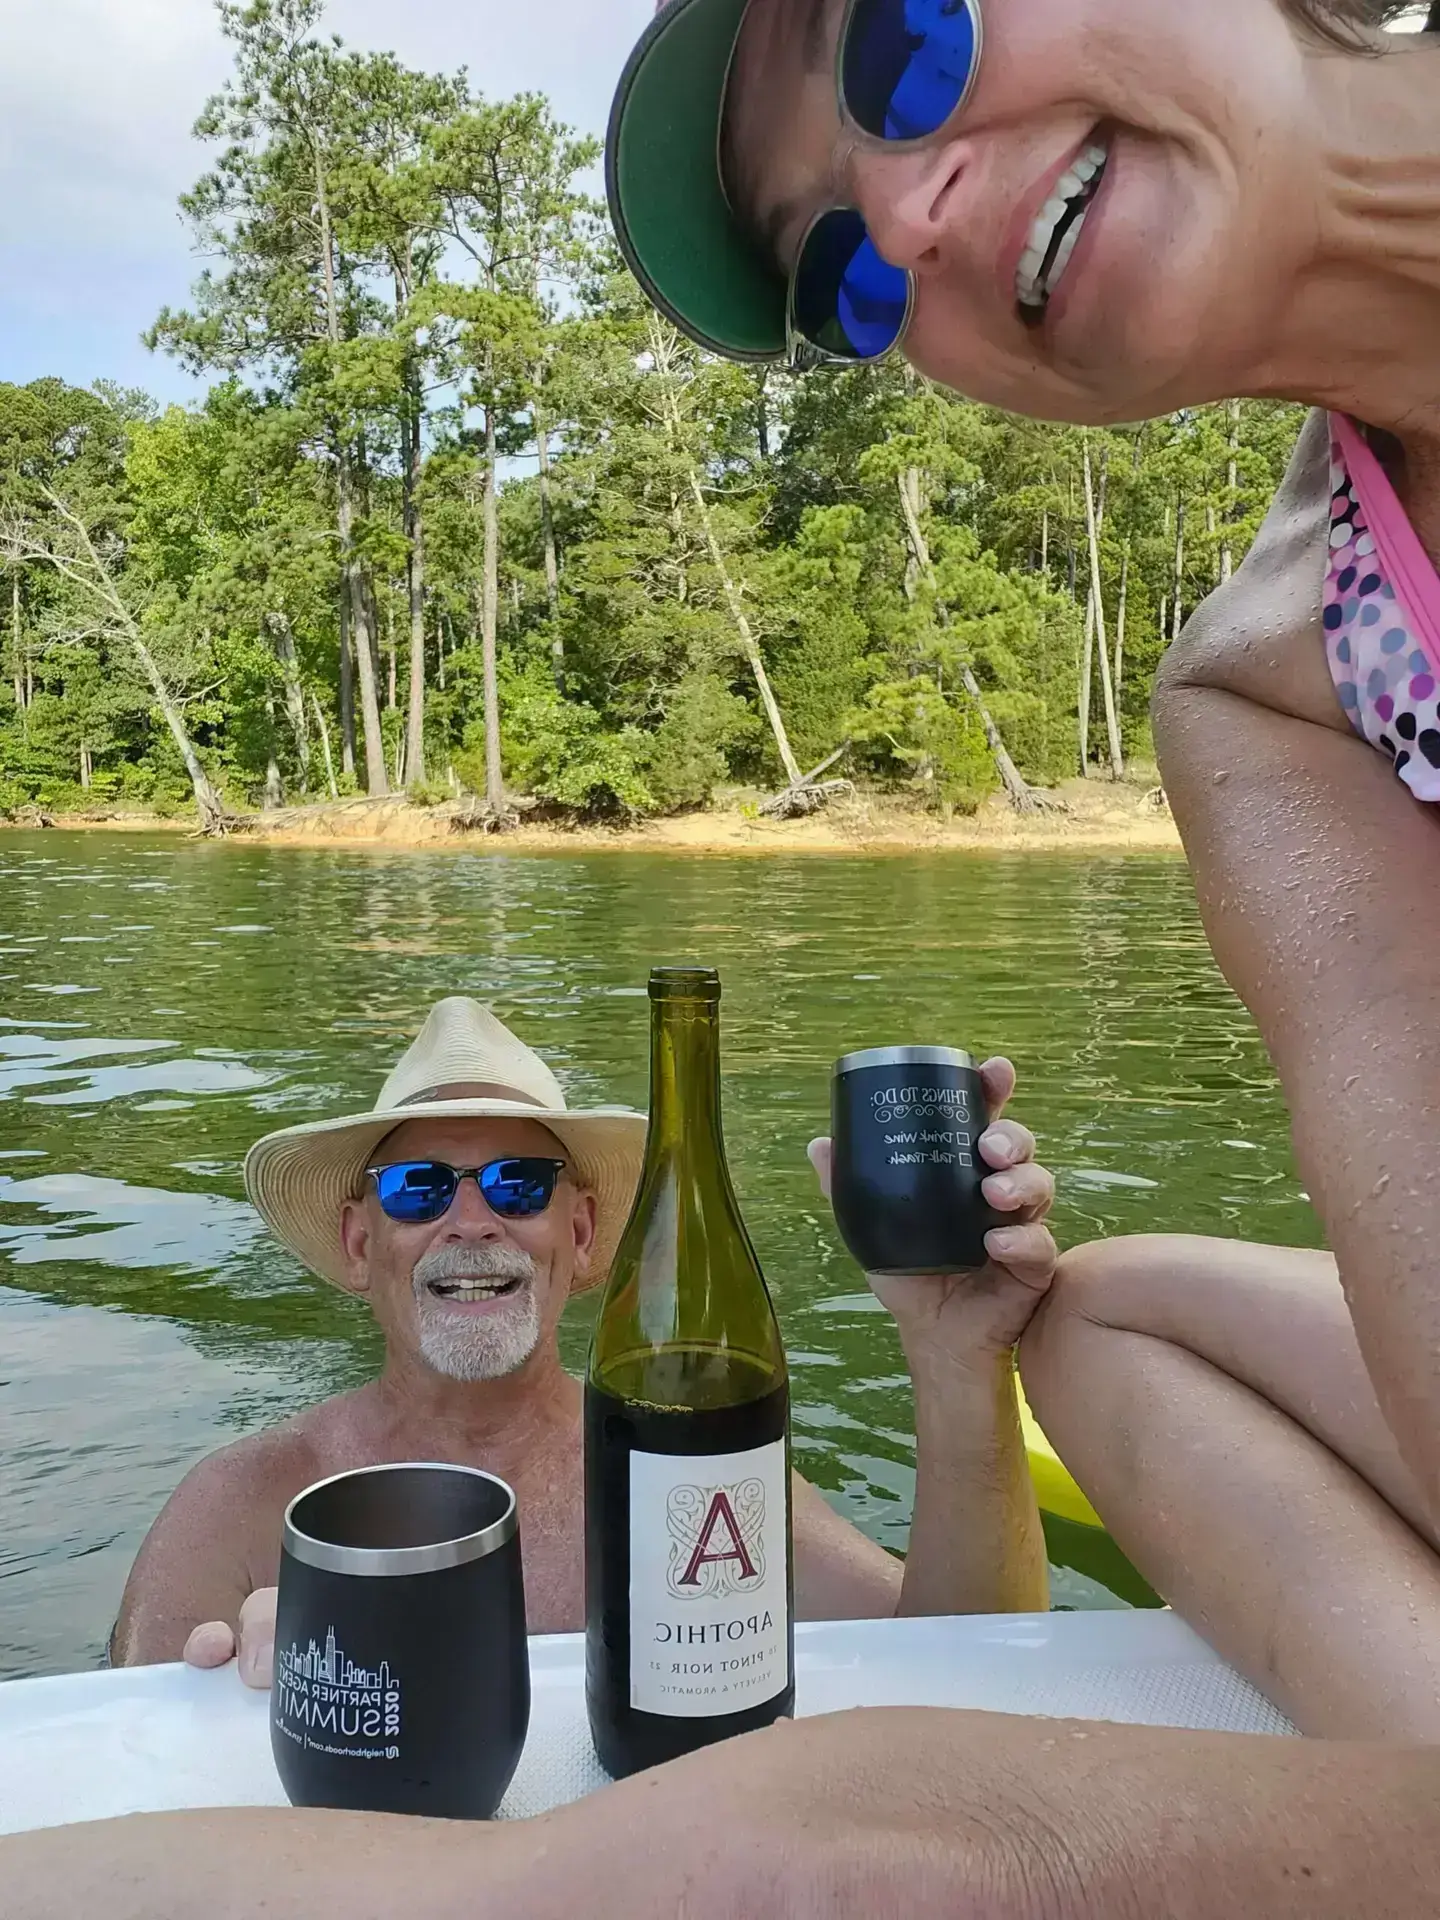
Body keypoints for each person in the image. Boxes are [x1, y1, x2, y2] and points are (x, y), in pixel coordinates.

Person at [603, 0, 1440, 1741]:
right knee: (1102, 1316)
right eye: (847, 273)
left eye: (897, 41)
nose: (902, 221)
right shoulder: (1281, 688)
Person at [110, 994, 1058, 1677]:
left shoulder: (695, 1471)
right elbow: (118, 1788)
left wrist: (956, 1353)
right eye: (419, 1188)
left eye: (519, 1184)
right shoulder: (242, 1507)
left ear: (582, 1234)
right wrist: (244, 1688)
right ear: (363, 1243)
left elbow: (959, 1656)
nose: (473, 1220)